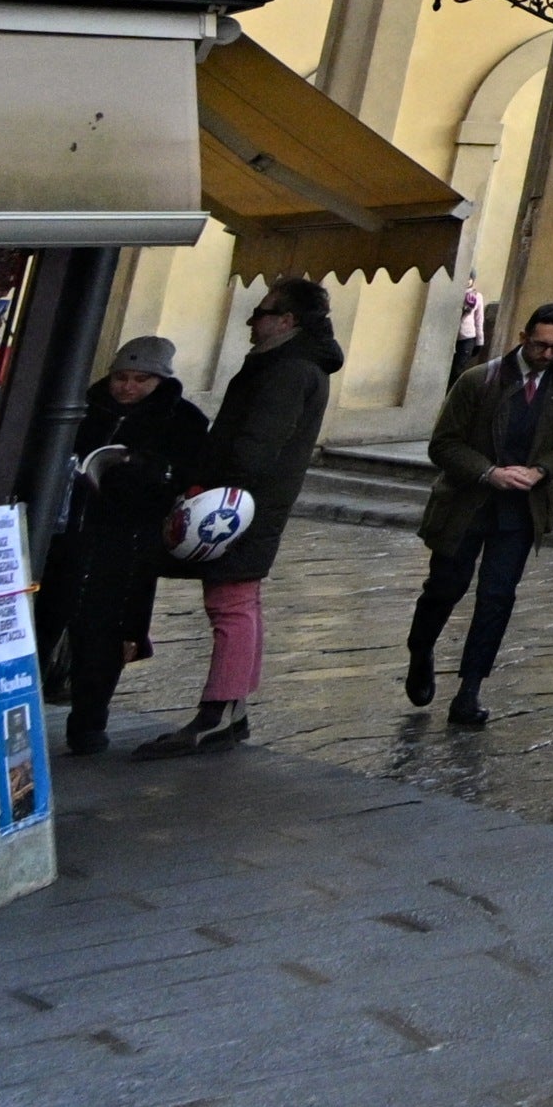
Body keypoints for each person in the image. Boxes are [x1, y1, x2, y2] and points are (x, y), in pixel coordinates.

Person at [171, 276, 342, 754]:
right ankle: (232, 708)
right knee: (240, 599)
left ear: (286, 320)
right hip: (250, 501)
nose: (253, 321)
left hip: (242, 504)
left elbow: (258, 445)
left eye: (262, 313)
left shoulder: (288, 370)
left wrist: (214, 487)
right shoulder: (290, 364)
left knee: (230, 601)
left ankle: (220, 709)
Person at [404, 299, 553, 730]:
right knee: (445, 587)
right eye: (541, 345)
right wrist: (489, 473)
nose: (548, 355)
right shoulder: (478, 381)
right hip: (467, 504)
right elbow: (443, 445)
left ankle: (470, 690)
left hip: (521, 510)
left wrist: (542, 470)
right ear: (523, 337)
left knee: (497, 597)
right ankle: (421, 647)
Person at [44, 329, 220, 759]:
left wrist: (144, 472)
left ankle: (89, 724)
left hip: (129, 539)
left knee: (107, 630)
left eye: (141, 380)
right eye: (123, 377)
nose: (128, 387)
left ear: (159, 381)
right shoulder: (84, 408)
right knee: (49, 616)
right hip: (69, 534)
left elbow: (187, 476)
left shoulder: (183, 420)